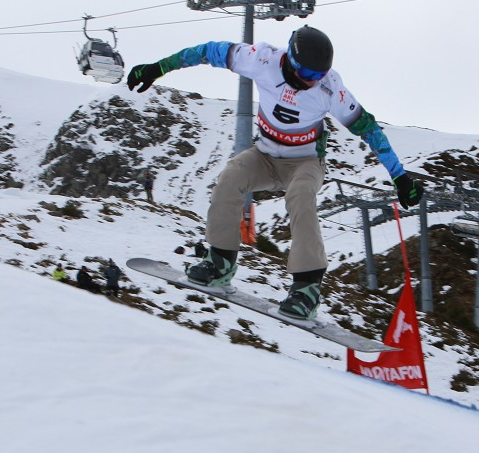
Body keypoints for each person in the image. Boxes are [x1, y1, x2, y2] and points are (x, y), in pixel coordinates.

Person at [126, 25, 420, 320]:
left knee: (301, 194)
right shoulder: (261, 60)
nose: (313, 81)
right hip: (265, 155)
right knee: (230, 179)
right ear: (291, 62)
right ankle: (220, 262)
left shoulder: (330, 88)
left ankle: (307, 289)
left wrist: (399, 176)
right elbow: (207, 51)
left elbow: (368, 128)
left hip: (305, 162)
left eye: (319, 75)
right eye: (308, 74)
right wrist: (159, 68)